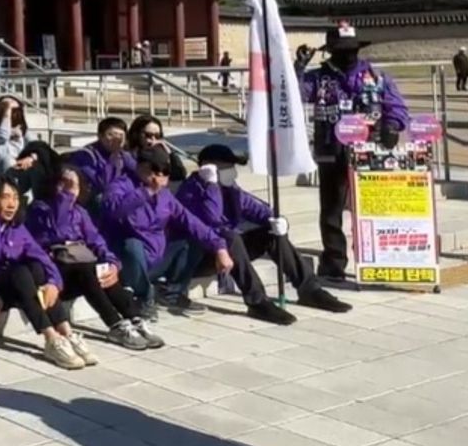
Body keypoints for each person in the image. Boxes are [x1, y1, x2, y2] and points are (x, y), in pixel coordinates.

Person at [176, 144, 353, 323]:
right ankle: (257, 301)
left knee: (269, 233)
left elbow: (253, 207)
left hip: (228, 252)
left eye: (232, 167)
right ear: (208, 167)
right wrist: (211, 186)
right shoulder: (191, 191)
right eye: (225, 167)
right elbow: (212, 223)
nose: (231, 172)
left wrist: (275, 219)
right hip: (200, 256)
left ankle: (310, 289)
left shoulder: (230, 189)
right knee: (230, 237)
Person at [299, 22, 409, 280]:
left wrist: (392, 126)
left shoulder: (377, 77)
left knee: (375, 207)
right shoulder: (319, 77)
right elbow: (294, 96)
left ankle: (378, 258)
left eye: (351, 49)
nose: (346, 54)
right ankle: (334, 262)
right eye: (340, 49)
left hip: (371, 150)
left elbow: (397, 108)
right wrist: (298, 68)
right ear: (331, 50)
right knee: (332, 210)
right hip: (332, 148)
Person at [27, 166, 160, 351]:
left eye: (74, 184)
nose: (69, 189)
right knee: (87, 269)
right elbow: (57, 229)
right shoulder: (40, 210)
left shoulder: (80, 213)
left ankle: (134, 317)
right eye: (64, 183)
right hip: (55, 274)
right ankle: (114, 324)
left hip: (82, 270)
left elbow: (96, 240)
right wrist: (66, 197)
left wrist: (112, 263)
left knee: (101, 269)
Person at [0, 179, 88, 370]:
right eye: (5, 197)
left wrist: (54, 282)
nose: (12, 204)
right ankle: (51, 338)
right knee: (20, 271)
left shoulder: (16, 226)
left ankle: (66, 331)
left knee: (35, 267)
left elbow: (41, 256)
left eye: (16, 198)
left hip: (15, 284)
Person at [104, 149, 229, 319]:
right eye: (154, 171)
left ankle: (172, 293)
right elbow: (115, 211)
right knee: (131, 245)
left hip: (156, 258)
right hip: (127, 263)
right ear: (140, 167)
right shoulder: (120, 186)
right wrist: (146, 192)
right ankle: (144, 297)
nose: (159, 177)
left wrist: (220, 248)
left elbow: (191, 222)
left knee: (191, 240)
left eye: (164, 172)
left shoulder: (165, 196)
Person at [127, 114, 187, 181]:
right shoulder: (127, 156)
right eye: (148, 135)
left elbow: (179, 175)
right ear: (136, 134)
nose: (153, 140)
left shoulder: (160, 155)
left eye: (157, 136)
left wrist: (170, 155)